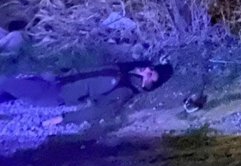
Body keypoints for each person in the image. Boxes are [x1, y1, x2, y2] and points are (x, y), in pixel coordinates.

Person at [1, 62, 172, 126]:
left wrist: (63, 119)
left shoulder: (124, 90)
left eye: (150, 75)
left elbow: (100, 111)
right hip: (54, 80)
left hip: (52, 93)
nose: (148, 70)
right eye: (152, 69)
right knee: (7, 92)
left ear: (145, 84)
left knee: (5, 84)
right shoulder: (124, 70)